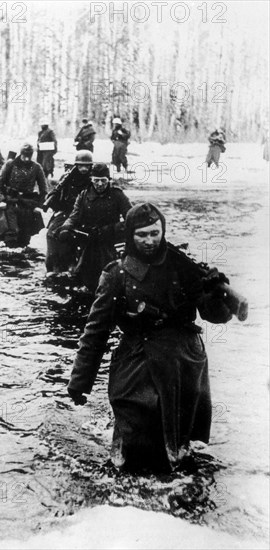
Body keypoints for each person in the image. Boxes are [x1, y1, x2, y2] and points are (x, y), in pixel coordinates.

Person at [67, 203, 239, 473]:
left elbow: (213, 315)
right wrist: (80, 381)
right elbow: (96, 331)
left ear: (163, 231)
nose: (149, 241)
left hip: (183, 359)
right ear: (130, 236)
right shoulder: (117, 274)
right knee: (135, 430)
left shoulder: (183, 266)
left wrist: (215, 291)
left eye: (154, 233)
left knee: (178, 446)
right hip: (139, 358)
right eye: (142, 235)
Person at [59, 163, 132, 291]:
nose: (99, 184)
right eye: (96, 180)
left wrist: (110, 229)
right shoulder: (84, 195)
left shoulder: (117, 195)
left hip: (110, 240)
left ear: (109, 180)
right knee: (81, 272)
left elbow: (131, 219)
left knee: (109, 270)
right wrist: (66, 228)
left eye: (103, 180)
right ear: (91, 180)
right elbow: (74, 216)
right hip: (89, 239)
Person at [44, 150, 93, 273]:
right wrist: (53, 199)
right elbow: (56, 198)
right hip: (65, 212)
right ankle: (53, 268)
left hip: (85, 214)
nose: (83, 169)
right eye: (80, 165)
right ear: (76, 165)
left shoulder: (93, 180)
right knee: (52, 233)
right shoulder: (67, 179)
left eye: (86, 166)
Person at [0, 143, 47, 248]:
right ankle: (8, 258)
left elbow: (44, 190)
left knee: (25, 236)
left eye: (29, 156)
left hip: (28, 204)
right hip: (10, 202)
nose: (26, 159)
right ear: (21, 153)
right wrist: (0, 201)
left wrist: (38, 205)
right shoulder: (10, 165)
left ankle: (21, 258)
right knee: (11, 233)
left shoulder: (36, 167)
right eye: (24, 155)